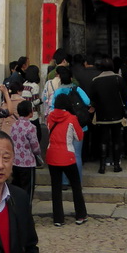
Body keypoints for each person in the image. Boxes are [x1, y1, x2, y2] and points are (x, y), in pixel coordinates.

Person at [45, 94, 87, 227]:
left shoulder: (50, 117)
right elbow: (79, 136)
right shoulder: (71, 118)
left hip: (52, 154)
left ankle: (58, 218)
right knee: (75, 186)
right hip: (67, 155)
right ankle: (80, 215)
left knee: (55, 188)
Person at [48, 66, 90, 179]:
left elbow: (52, 107)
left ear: (60, 79)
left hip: (63, 127)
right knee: (77, 155)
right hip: (79, 125)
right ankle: (77, 181)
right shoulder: (77, 89)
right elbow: (87, 101)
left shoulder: (57, 92)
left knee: (64, 154)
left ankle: (65, 181)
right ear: (71, 79)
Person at [89, 57, 125, 174]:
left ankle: (102, 166)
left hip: (102, 115)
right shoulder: (118, 79)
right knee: (116, 139)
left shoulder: (95, 80)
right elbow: (125, 95)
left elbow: (92, 98)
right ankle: (116, 165)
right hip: (117, 114)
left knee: (103, 140)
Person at [9, 102, 41, 204]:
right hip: (27, 163)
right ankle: (26, 214)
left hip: (15, 162)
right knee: (27, 191)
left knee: (16, 189)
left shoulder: (14, 125)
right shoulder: (31, 127)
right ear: (30, 112)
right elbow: (35, 148)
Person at [20, 67, 42, 140]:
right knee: (37, 136)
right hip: (33, 114)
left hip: (24, 114)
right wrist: (41, 100)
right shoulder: (35, 86)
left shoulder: (24, 84)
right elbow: (35, 101)